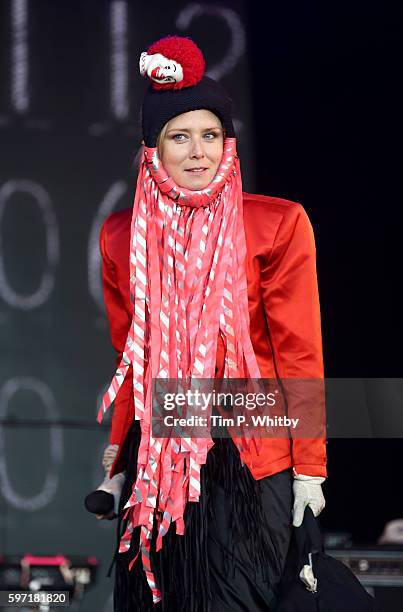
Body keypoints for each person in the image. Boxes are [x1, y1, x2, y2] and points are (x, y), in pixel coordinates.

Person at [88, 35, 327, 611]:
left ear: (228, 143)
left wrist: (310, 469)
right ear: (152, 150)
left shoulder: (277, 223)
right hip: (159, 459)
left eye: (211, 135)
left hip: (251, 455)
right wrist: (118, 458)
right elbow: (134, 359)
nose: (199, 152)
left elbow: (299, 354)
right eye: (180, 136)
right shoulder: (122, 235)